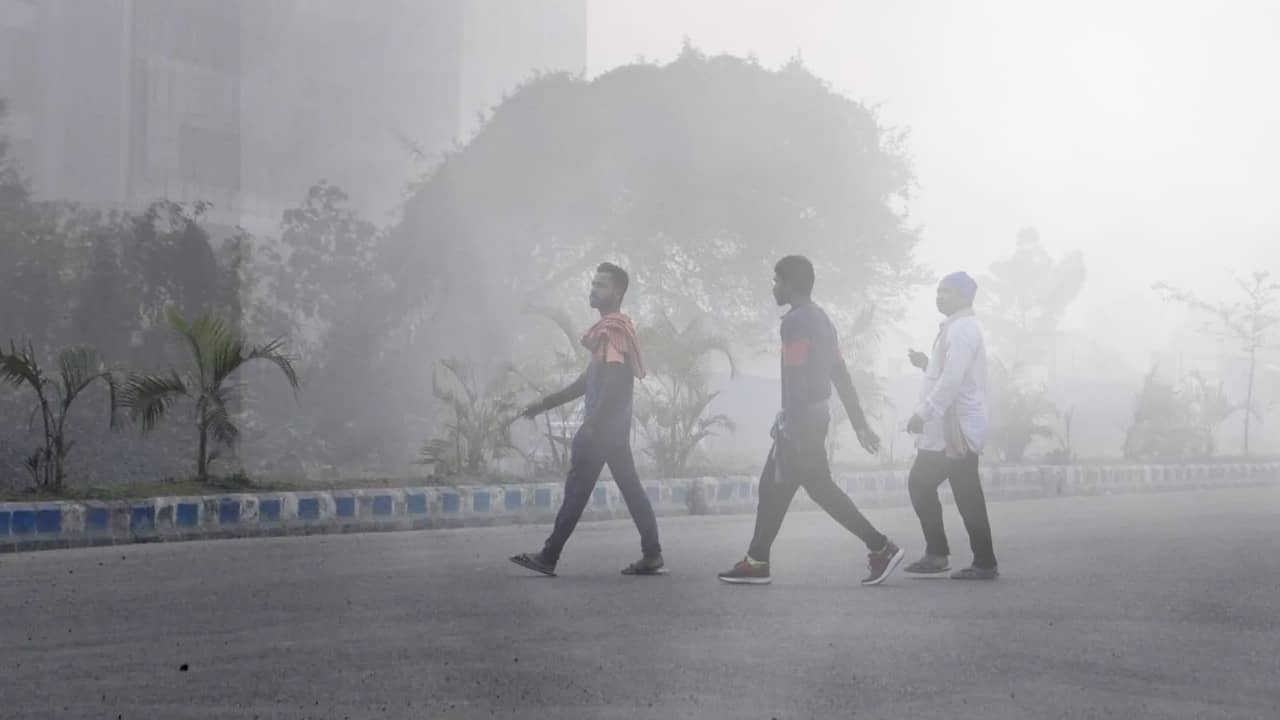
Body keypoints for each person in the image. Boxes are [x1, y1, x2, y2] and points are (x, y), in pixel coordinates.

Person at [718, 255, 904, 586]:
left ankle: (880, 546)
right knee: (777, 486)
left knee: (817, 488)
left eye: (777, 281)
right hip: (816, 414)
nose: (774, 287)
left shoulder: (795, 322)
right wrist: (859, 423)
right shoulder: (821, 320)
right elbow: (840, 374)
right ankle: (757, 560)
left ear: (791, 284)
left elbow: (795, 377)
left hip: (802, 417)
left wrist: (791, 424)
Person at [510, 262, 665, 577]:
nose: (593, 290)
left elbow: (617, 386)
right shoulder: (610, 330)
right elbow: (589, 382)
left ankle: (548, 556)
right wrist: (545, 404)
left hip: (601, 432)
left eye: (601, 285)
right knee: (630, 491)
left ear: (617, 292)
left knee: (577, 492)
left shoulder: (613, 331)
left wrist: (591, 427)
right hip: (613, 431)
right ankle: (652, 554)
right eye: (593, 284)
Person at [902, 271, 998, 580]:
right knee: (964, 491)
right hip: (952, 428)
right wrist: (926, 365)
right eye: (939, 291)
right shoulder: (957, 328)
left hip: (954, 429)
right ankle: (976, 560)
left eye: (947, 292)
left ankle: (940, 555)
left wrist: (923, 413)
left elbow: (954, 380)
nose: (940, 296)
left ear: (965, 297)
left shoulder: (962, 330)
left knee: (922, 483)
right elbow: (949, 372)